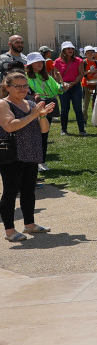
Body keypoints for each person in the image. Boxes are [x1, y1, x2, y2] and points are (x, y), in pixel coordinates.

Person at [1, 71, 55, 241]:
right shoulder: (4, 104)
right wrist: (33, 115)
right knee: (10, 192)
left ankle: (29, 224)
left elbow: (44, 129)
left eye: (25, 86)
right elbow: (9, 126)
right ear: (7, 87)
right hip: (13, 154)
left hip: (31, 152)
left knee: (28, 191)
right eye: (18, 86)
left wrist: (43, 115)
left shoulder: (31, 103)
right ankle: (9, 231)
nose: (23, 89)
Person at [25, 53, 60, 171]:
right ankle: (33, 161)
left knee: (44, 134)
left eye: (41, 62)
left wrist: (62, 87)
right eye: (36, 62)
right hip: (31, 109)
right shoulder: (25, 77)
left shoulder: (47, 77)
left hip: (46, 107)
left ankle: (42, 161)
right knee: (34, 135)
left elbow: (56, 88)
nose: (40, 64)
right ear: (30, 64)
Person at [53, 41, 86, 135]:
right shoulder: (57, 61)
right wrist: (62, 84)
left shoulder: (79, 60)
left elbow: (81, 74)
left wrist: (73, 83)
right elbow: (56, 75)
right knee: (64, 109)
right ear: (64, 50)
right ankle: (64, 129)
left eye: (72, 48)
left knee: (78, 108)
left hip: (75, 86)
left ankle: (82, 130)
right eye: (68, 49)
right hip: (63, 87)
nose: (71, 50)